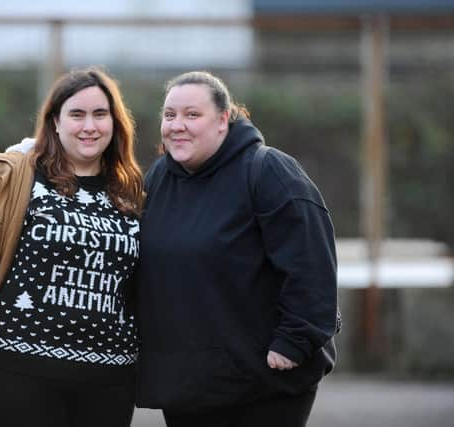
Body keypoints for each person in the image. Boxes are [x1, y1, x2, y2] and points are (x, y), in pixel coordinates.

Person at [0, 67, 144, 427]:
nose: (89, 126)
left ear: (116, 123)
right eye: (76, 114)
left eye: (100, 114)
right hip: (17, 371)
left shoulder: (132, 191)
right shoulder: (14, 174)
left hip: (109, 377)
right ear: (55, 123)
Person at [135, 71, 339, 427]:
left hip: (263, 381)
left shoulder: (268, 171)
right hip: (190, 385)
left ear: (223, 120)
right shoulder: (159, 179)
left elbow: (311, 263)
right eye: (169, 115)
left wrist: (294, 342)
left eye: (192, 115)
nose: (177, 125)